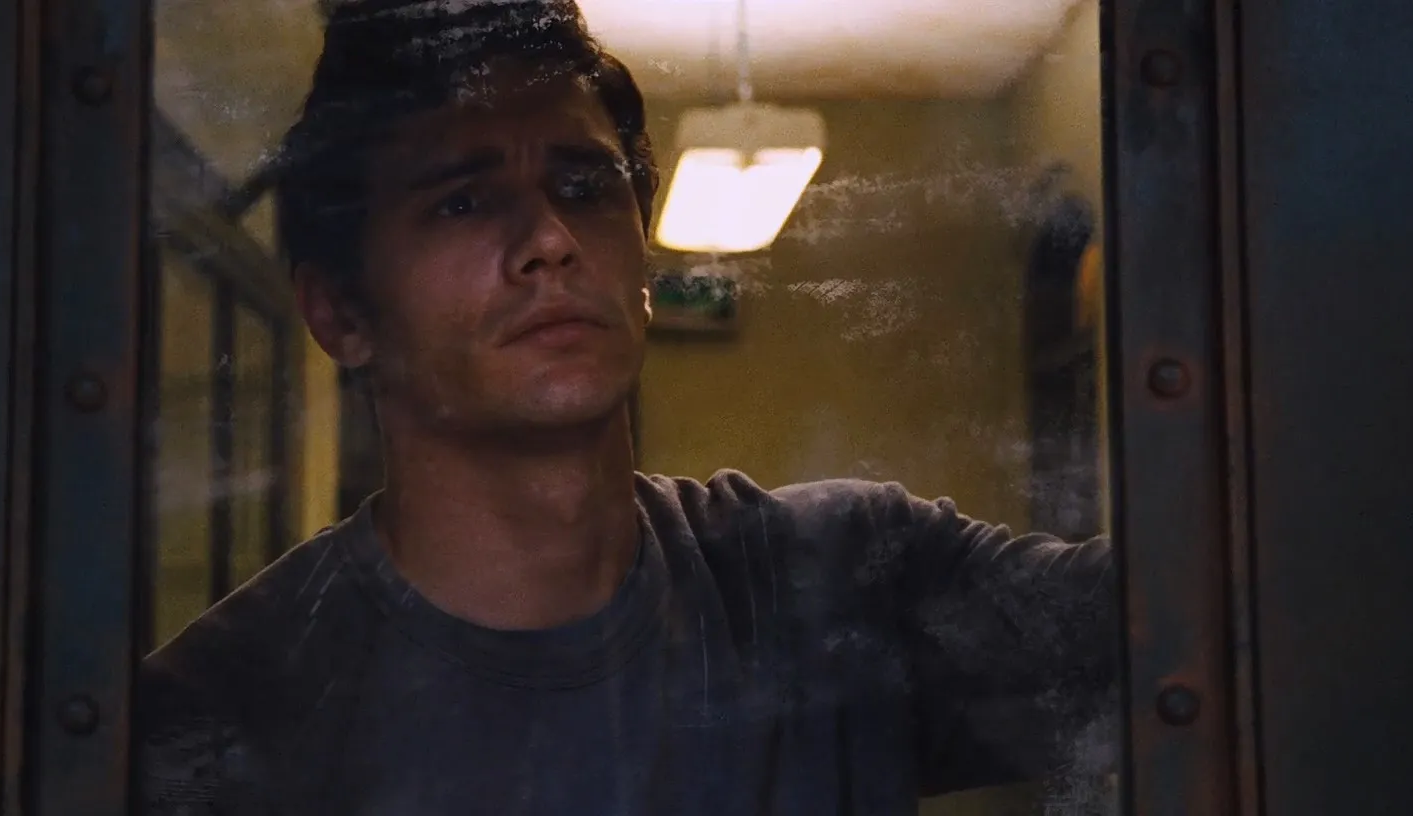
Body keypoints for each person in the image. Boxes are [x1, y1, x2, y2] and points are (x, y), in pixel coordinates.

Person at [140, 2, 1117, 813]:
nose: (551, 239)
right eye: (463, 202)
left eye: (584, 187)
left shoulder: (841, 580)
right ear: (340, 312)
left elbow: (1183, 625)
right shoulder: (216, 722)